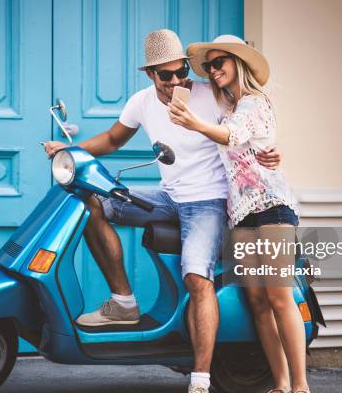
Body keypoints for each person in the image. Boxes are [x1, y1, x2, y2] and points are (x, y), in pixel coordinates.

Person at [43, 29, 281, 393]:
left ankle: (200, 379)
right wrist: (71, 152)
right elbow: (112, 139)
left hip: (208, 200)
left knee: (196, 279)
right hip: (169, 195)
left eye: (181, 71)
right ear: (150, 74)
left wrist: (272, 154)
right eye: (166, 75)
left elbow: (247, 127)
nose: (176, 81)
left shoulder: (210, 94)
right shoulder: (141, 102)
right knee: (92, 201)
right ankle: (123, 301)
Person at [168, 34, 309, 393]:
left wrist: (194, 123)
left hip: (273, 207)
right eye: (210, 65)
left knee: (279, 297)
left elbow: (232, 137)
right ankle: (279, 384)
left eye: (220, 63)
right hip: (240, 214)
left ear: (238, 64)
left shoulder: (256, 103)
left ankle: (301, 387)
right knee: (257, 302)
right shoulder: (227, 108)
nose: (214, 70)